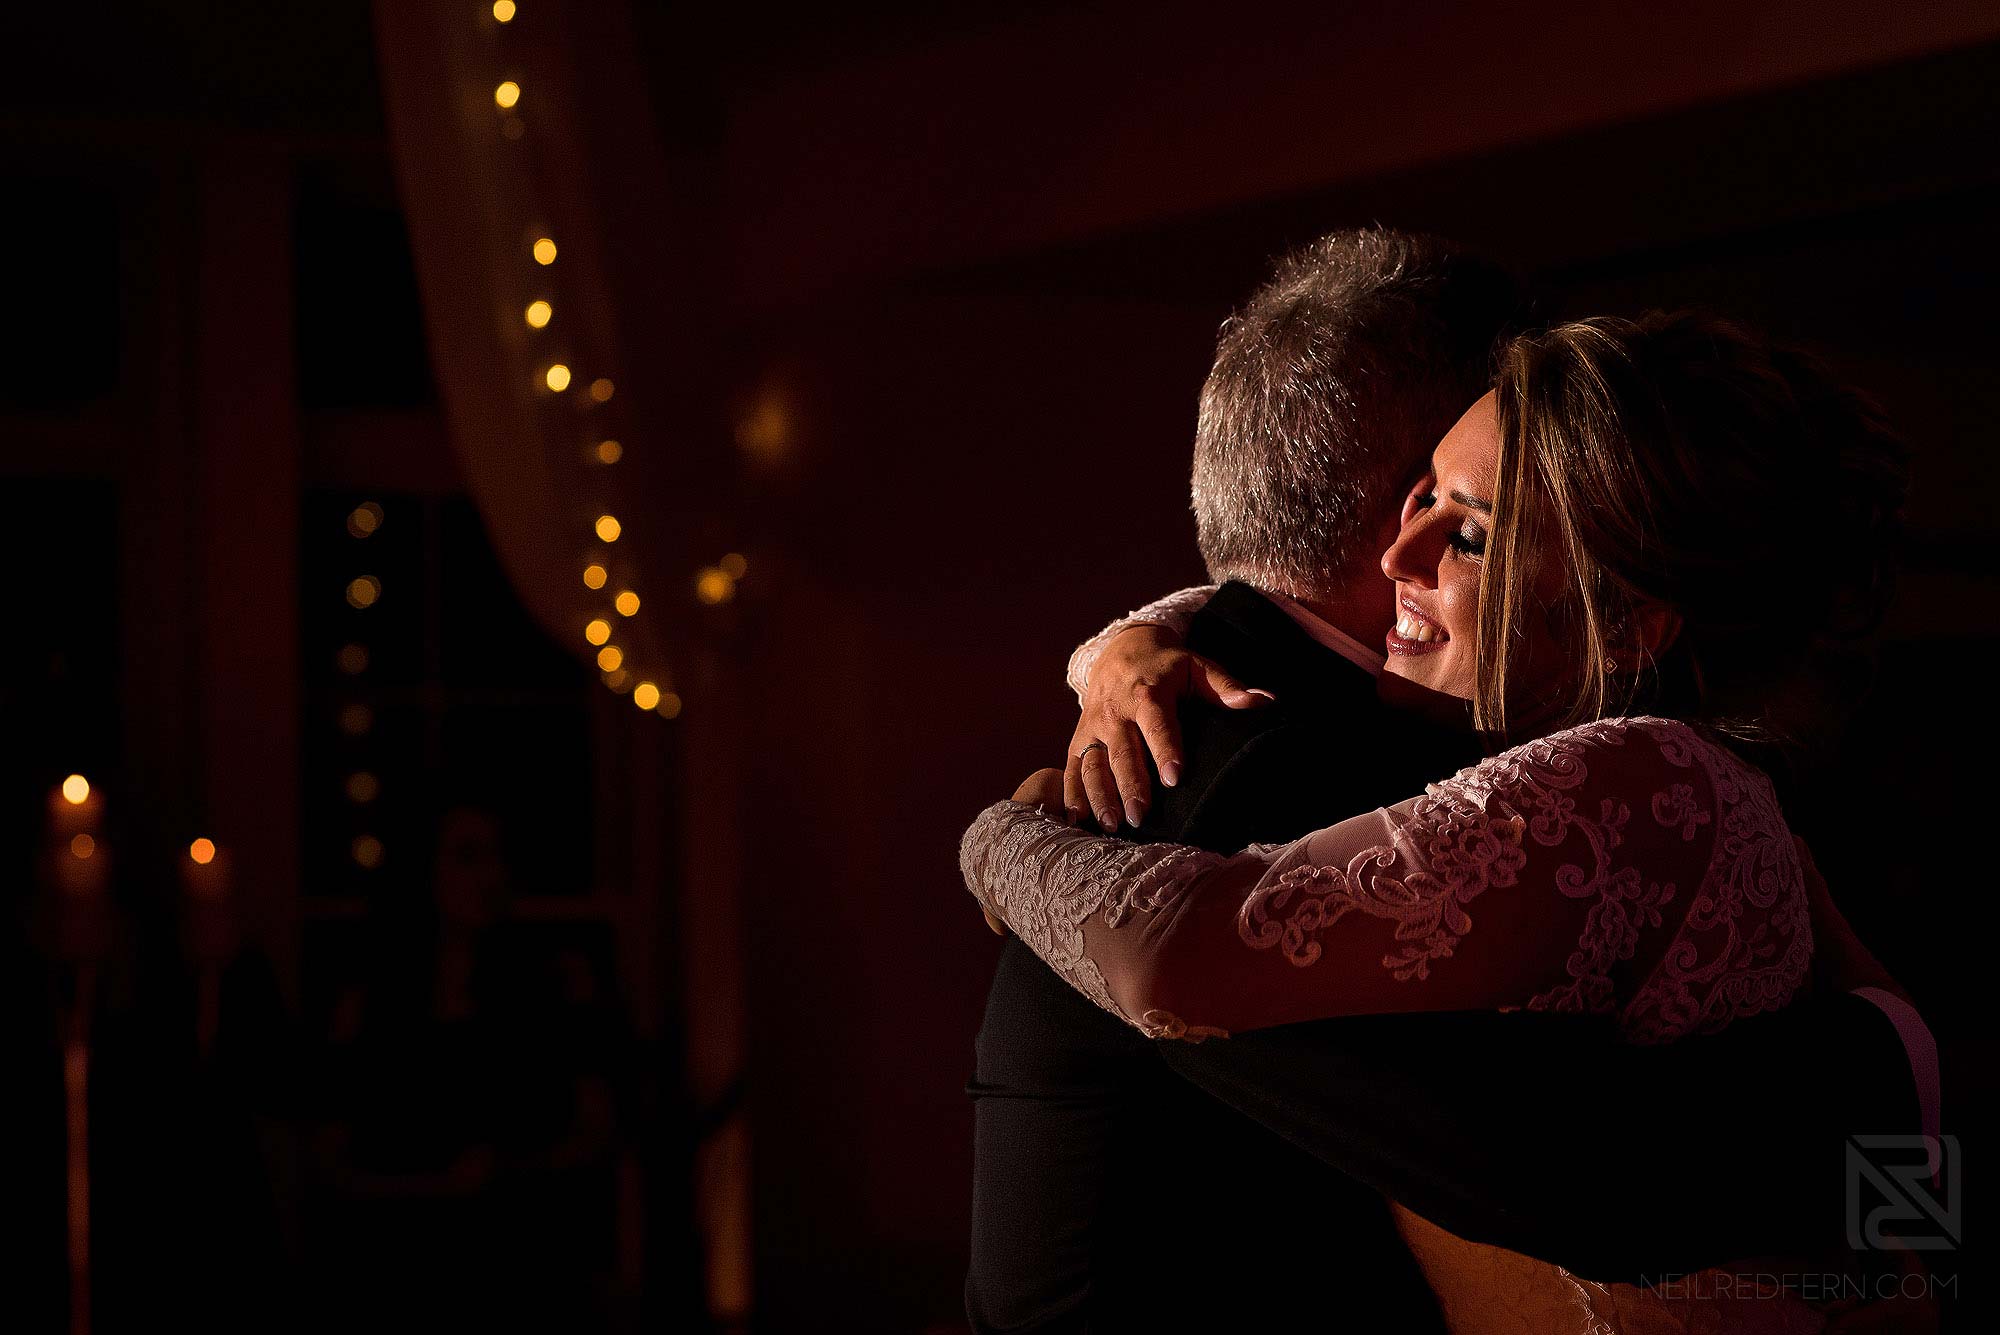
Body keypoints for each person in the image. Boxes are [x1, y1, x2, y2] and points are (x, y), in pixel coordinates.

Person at [965, 303, 1935, 1330]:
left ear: (1630, 618)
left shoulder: (1630, 780)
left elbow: (1169, 962)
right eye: (1417, 494)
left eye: (1467, 534)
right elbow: (1901, 1222)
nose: (1399, 554)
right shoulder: (1733, 791)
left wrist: (998, 841)